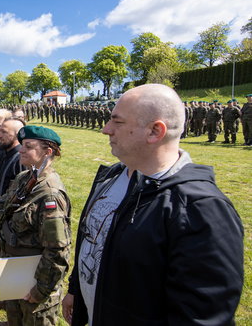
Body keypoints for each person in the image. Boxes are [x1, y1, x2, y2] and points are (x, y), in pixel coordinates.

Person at [62, 84, 244, 326]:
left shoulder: (200, 209)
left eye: (117, 122)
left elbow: (201, 318)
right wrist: (77, 288)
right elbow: (94, 239)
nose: (106, 130)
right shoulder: (112, 178)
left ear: (154, 132)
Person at [0, 125, 71, 326]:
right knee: (14, 318)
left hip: (34, 278)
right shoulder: (24, 178)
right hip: (16, 271)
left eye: (28, 146)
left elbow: (57, 249)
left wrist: (41, 289)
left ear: (47, 152)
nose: (21, 150)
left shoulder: (49, 194)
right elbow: (5, 202)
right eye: (22, 145)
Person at [0, 118, 26, 289]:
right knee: (1, 246)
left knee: (11, 250)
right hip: (1, 209)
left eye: (4, 132)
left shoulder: (18, 157)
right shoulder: (5, 151)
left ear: (16, 135)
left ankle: (8, 286)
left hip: (11, 215)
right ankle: (3, 278)